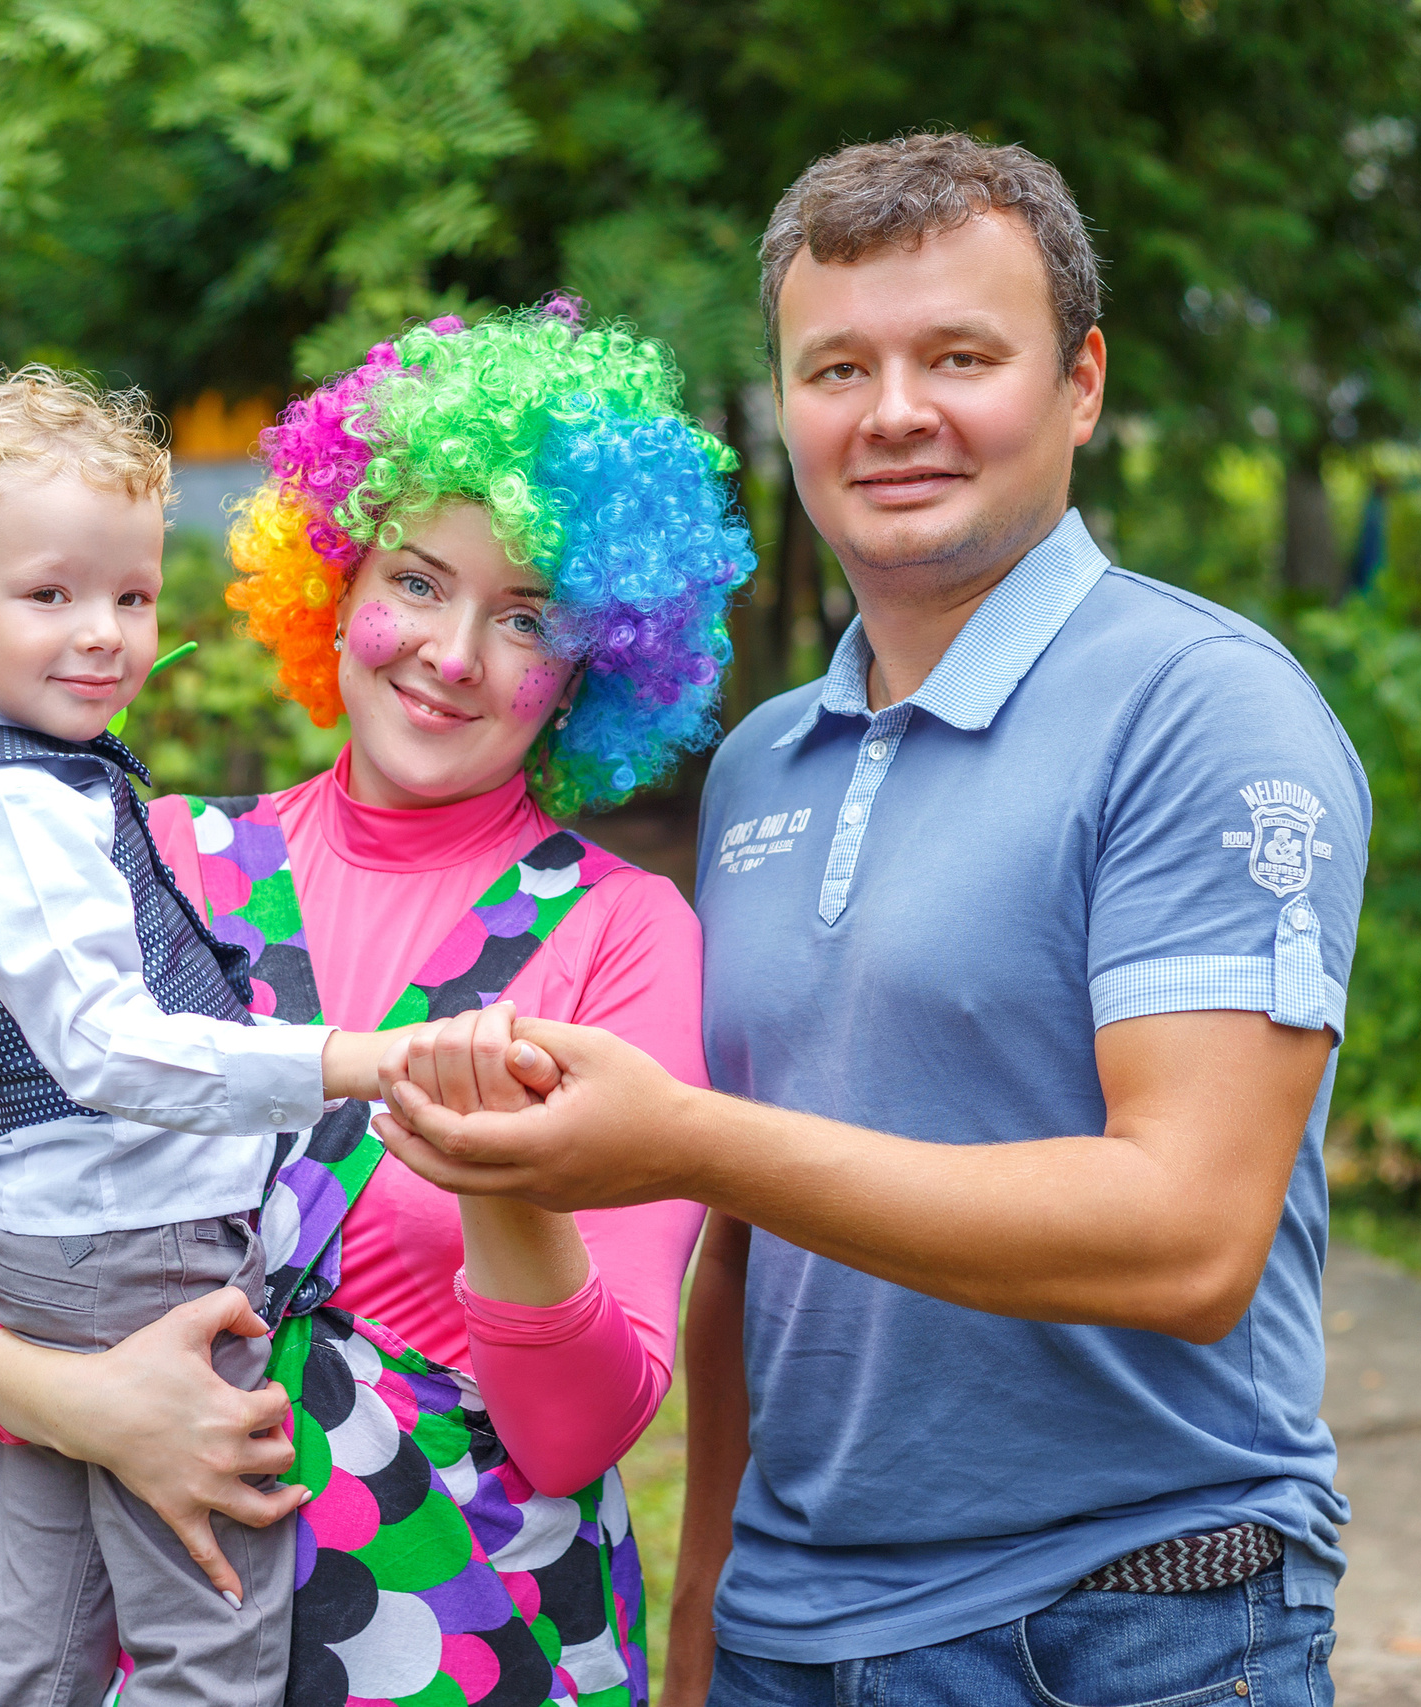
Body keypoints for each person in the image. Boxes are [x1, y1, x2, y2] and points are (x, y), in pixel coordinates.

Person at [375, 134, 1370, 1707]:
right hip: (790, 1633)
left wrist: (686, 1141)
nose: (894, 411)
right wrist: (704, 1608)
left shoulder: (1202, 710)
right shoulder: (767, 760)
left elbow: (1189, 1240)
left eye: (959, 357)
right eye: (838, 368)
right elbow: (749, 1250)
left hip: (1125, 1622)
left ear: (1081, 384)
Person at [0, 302, 752, 1706]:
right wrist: (86, 1406)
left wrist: (502, 1180)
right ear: (335, 586)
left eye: (526, 617)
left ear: (594, 670)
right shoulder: (149, 858)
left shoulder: (623, 935)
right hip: (117, 1624)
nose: (453, 654)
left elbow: (580, 1431)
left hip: (458, 1632)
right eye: (417, 580)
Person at [0, 369, 421, 1707]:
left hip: (33, 1249)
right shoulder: (21, 806)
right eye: (51, 595)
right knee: (206, 1632)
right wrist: (344, 1061)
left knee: (30, 1632)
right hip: (144, 1256)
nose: (103, 634)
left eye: (134, 597)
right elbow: (106, 1050)